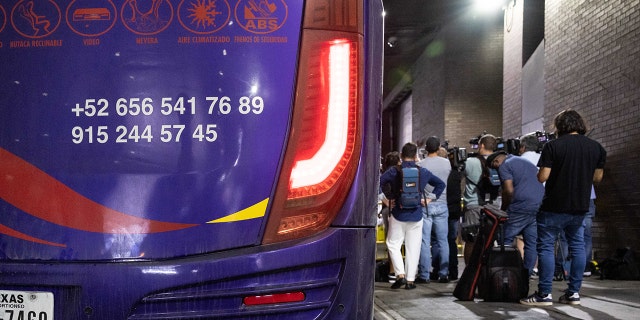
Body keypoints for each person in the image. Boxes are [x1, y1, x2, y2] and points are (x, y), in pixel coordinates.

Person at [520, 109, 606, 306]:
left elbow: (543, 177)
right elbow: (597, 178)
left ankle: (544, 294)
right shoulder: (597, 148)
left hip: (554, 206)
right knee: (577, 247)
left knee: (546, 247)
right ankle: (573, 293)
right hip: (580, 206)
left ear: (560, 126)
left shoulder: (553, 146)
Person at [380, 142, 446, 290]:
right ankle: (410, 280)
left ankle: (400, 275)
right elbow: (440, 184)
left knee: (393, 244)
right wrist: (429, 199)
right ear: (416, 156)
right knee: (413, 247)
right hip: (417, 214)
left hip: (398, 213)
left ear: (402, 156)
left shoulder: (394, 171)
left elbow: (377, 182)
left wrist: (384, 199)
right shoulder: (423, 172)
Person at [486, 150, 544, 277]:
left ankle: (503, 273)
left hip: (520, 206)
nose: (496, 171)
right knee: (531, 243)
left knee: (504, 239)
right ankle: (526, 275)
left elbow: (508, 190)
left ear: (496, 161)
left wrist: (503, 209)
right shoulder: (523, 161)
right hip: (538, 204)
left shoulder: (504, 165)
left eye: (493, 168)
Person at [417, 137, 451, 283]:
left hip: (425, 205)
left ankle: (424, 275)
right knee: (443, 241)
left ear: (426, 148)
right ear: (438, 148)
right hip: (442, 203)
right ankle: (443, 273)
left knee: (424, 241)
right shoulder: (447, 163)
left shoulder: (421, 164)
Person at [461, 134, 499, 264]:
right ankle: (488, 269)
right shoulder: (500, 161)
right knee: (490, 239)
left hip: (473, 205)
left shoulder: (471, 162)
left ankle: (470, 272)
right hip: (494, 206)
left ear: (482, 145)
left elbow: (459, 175)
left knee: (471, 239)